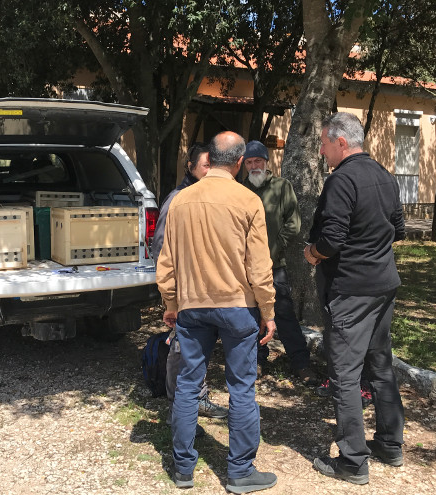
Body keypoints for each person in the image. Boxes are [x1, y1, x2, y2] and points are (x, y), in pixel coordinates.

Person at [157, 131, 279, 492]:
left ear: (210, 157)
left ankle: (182, 469)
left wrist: (171, 304)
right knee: (241, 388)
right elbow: (259, 266)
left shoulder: (180, 201)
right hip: (238, 307)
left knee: (187, 385)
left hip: (192, 307)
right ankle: (240, 472)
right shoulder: (248, 200)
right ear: (240, 162)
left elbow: (166, 264)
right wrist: (268, 311)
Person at [304, 113, 406, 485]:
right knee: (380, 365)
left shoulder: (342, 179)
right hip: (383, 285)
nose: (321, 150)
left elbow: (331, 239)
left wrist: (313, 254)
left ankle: (353, 461)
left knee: (345, 375)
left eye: (324, 144)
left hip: (351, 291)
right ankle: (390, 444)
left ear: (340, 143)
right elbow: (399, 229)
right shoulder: (385, 176)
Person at [151, 143, 229, 434]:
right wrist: (170, 294)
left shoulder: (212, 197)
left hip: (207, 291)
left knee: (197, 350)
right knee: (180, 351)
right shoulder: (178, 198)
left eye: (213, 165)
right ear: (191, 167)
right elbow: (161, 248)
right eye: (205, 165)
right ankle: (178, 411)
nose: (210, 171)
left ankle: (198, 399)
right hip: (183, 292)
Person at [242, 140, 318, 386]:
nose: (254, 166)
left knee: (283, 314)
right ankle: (257, 360)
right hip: (245, 268)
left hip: (275, 266)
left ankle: (301, 363)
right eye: (249, 162)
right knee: (252, 315)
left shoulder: (282, 187)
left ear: (267, 162)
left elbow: (293, 223)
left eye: (258, 161)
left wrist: (273, 249)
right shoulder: (239, 189)